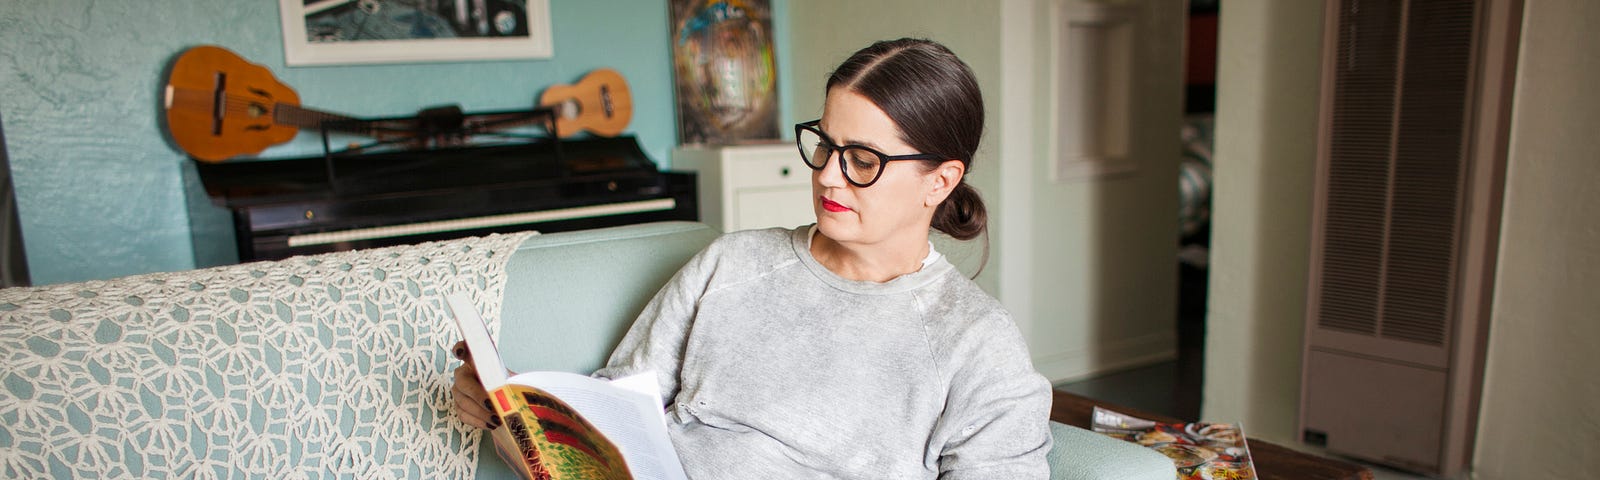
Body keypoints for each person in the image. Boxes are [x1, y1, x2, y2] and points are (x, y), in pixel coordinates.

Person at [453, 37, 1052, 478]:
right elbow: (615, 411)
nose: (829, 178)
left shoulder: (976, 343)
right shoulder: (731, 263)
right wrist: (508, 414)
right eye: (825, 145)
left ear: (940, 181)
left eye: (863, 161)